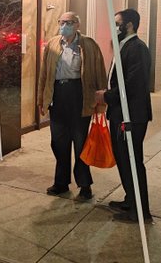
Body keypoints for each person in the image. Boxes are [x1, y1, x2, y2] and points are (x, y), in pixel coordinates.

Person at [37, 11, 107, 200]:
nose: (64, 25)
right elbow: (44, 74)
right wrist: (41, 100)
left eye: (68, 22)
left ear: (77, 25)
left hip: (80, 96)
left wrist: (100, 102)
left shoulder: (89, 45)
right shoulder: (52, 44)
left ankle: (85, 186)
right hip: (57, 96)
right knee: (58, 142)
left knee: (81, 143)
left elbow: (100, 72)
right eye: (61, 22)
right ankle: (61, 183)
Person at [95, 9, 152, 223]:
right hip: (121, 114)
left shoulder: (137, 48)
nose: (114, 27)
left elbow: (133, 85)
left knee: (133, 162)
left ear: (129, 25)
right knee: (123, 160)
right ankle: (130, 200)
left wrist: (106, 96)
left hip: (132, 116)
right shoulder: (124, 46)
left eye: (117, 23)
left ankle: (140, 211)